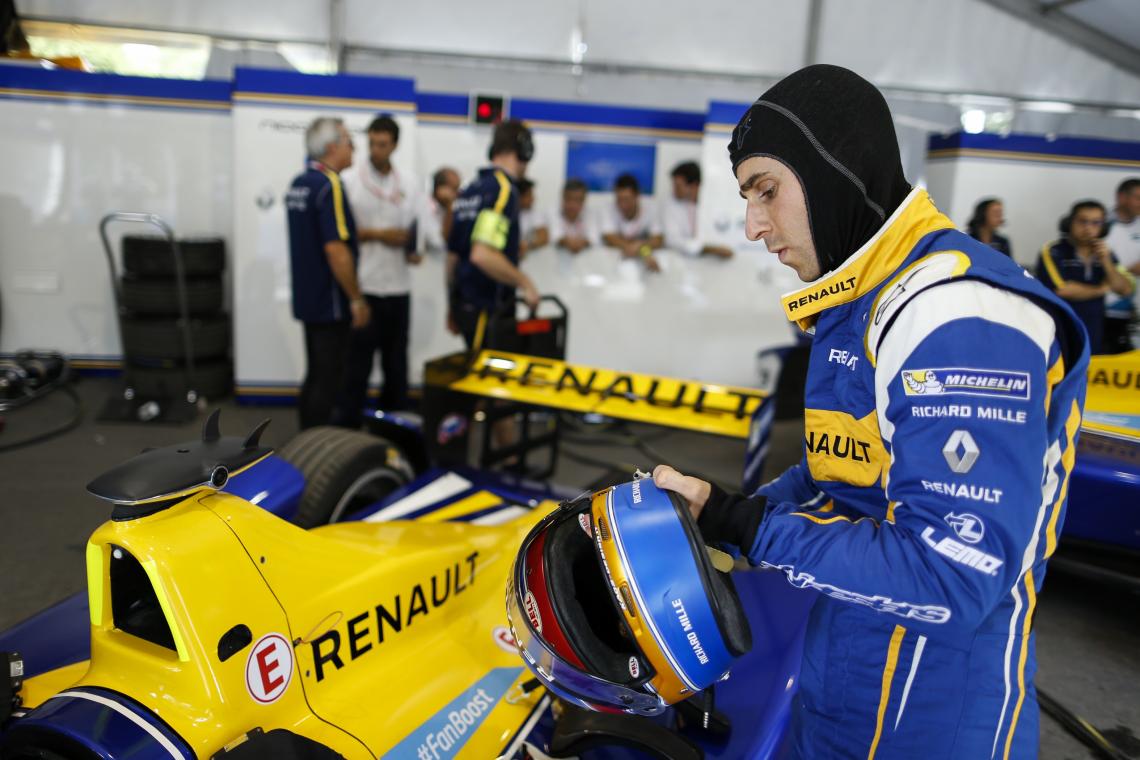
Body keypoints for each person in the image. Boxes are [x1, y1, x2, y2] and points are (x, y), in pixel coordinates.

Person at [651, 65, 1089, 759]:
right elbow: (842, 468)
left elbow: (951, 576)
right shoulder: (867, 298)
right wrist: (713, 513)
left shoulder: (958, 313)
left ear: (837, 172)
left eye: (766, 191)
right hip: (839, 673)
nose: (751, 225)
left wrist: (747, 526)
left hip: (935, 717)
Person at [285, 116, 370, 429]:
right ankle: (317, 449)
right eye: (349, 141)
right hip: (330, 301)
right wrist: (357, 299)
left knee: (316, 374)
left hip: (308, 297)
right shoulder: (329, 184)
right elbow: (336, 250)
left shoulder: (300, 183)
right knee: (329, 379)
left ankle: (305, 439)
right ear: (333, 146)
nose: (354, 147)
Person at [337, 114, 420, 422]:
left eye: (383, 144)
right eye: (372, 143)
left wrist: (414, 248)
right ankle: (347, 427)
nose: (376, 150)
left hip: (399, 287)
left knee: (396, 364)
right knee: (357, 364)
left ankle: (394, 427)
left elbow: (416, 229)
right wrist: (378, 234)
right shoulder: (349, 180)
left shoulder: (410, 183)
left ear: (394, 145)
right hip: (366, 285)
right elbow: (340, 232)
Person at [447, 118, 540, 349]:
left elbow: (454, 256)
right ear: (523, 150)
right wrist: (525, 283)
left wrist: (452, 304)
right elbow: (482, 254)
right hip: (489, 307)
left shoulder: (471, 189)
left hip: (466, 305)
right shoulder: (504, 190)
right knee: (490, 380)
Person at [1036, 200, 1133, 355]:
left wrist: (1106, 262)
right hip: (1059, 331)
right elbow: (1063, 290)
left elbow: (1125, 289)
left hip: (1094, 332)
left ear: (1103, 227)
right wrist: (1102, 289)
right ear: (1069, 223)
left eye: (1096, 223)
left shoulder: (1105, 253)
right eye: (1082, 221)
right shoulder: (1053, 251)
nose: (1088, 228)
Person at [661, 161, 733, 258]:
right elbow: (672, 240)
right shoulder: (671, 203)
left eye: (678, 186)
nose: (673, 190)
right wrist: (708, 249)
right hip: (684, 261)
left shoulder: (714, 202)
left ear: (694, 186)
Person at [1103, 178, 1140, 352]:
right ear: (1121, 197)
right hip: (1104, 307)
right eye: (1138, 198)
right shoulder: (1101, 224)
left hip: (1130, 308)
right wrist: (1127, 270)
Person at [601, 173, 663, 272]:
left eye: (626, 199)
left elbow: (658, 239)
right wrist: (640, 249)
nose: (622, 205)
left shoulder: (651, 208)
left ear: (637, 196)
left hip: (643, 263)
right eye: (619, 199)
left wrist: (641, 249)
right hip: (615, 262)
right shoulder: (608, 208)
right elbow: (609, 237)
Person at [418, 166, 460, 254]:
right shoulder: (425, 207)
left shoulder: (448, 209)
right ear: (440, 188)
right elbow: (439, 242)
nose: (457, 193)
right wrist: (449, 205)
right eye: (454, 188)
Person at [550, 177, 598, 253]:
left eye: (577, 200)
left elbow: (593, 238)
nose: (572, 205)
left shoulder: (591, 214)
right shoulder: (552, 213)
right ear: (562, 197)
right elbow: (555, 237)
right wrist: (567, 242)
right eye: (568, 199)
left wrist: (581, 243)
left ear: (584, 201)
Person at [517, 177, 550, 254]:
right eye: (529, 195)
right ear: (519, 196)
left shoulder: (535, 214)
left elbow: (544, 237)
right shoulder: (506, 213)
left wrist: (527, 245)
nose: (533, 198)